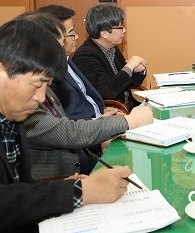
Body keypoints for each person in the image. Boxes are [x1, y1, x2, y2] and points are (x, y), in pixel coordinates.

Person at [0, 18, 134, 231]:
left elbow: (19, 190)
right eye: (36, 85)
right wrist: (79, 191)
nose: (42, 98)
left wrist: (64, 186)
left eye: (47, 85)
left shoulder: (12, 116)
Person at [14, 12, 153, 180]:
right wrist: (125, 122)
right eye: (57, 48)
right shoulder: (24, 100)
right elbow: (66, 131)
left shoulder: (41, 87)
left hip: (82, 162)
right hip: (64, 174)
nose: (60, 56)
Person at [37, 4, 108, 121]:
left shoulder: (67, 59)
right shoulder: (49, 72)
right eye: (71, 33)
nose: (77, 36)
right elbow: (64, 120)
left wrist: (100, 111)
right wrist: (101, 121)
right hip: (85, 130)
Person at [73, 4, 147, 110]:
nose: (124, 30)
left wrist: (139, 70)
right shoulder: (85, 57)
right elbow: (109, 91)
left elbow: (131, 83)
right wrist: (130, 66)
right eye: (120, 27)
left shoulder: (112, 48)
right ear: (104, 34)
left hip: (127, 105)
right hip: (114, 110)